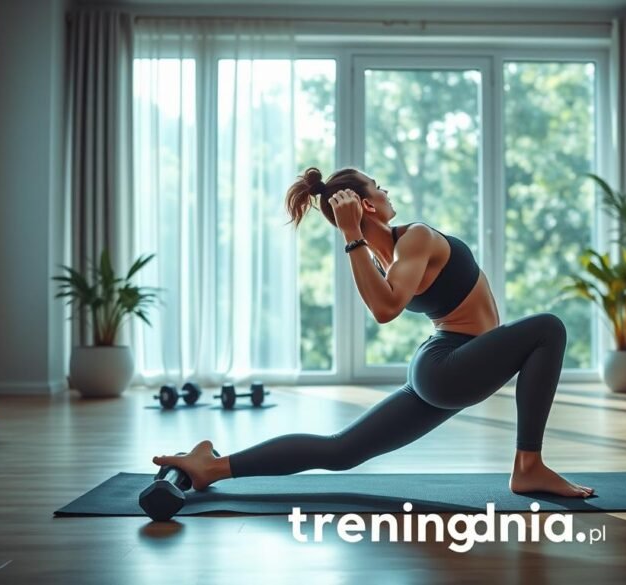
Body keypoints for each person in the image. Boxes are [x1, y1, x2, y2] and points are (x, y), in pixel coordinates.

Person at [152, 167, 594, 498]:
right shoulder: (412, 239)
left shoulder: (392, 256)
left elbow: (386, 299)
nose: (386, 191)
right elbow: (385, 310)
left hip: (448, 365)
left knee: (340, 451)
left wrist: (352, 234)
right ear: (367, 205)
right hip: (449, 366)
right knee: (549, 328)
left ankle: (212, 468)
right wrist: (349, 234)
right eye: (378, 186)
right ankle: (528, 464)